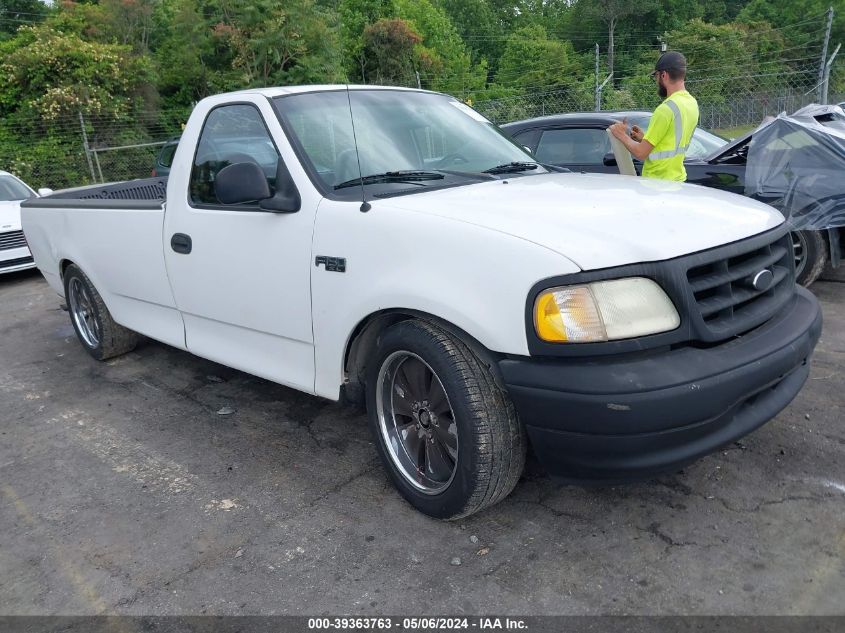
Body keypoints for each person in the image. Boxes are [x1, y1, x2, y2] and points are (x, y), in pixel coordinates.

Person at [608, 51, 699, 182]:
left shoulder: (666, 109)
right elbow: (673, 142)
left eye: (656, 76)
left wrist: (621, 134)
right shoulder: (691, 103)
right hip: (678, 179)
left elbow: (640, 153)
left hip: (657, 183)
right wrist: (644, 139)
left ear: (664, 75)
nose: (656, 80)